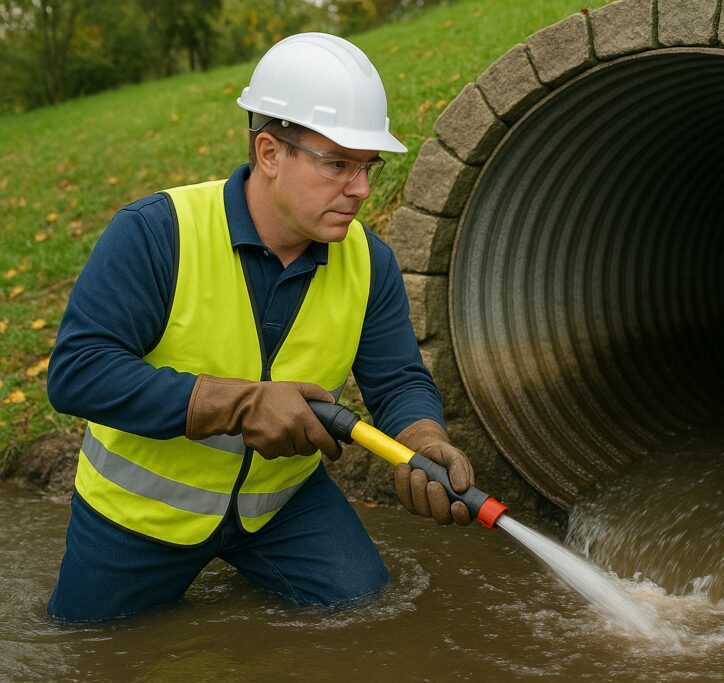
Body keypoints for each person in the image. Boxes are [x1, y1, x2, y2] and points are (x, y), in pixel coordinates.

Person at [45, 32, 474, 623]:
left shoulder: (368, 261)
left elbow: (397, 379)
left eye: (367, 167)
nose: (362, 190)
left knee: (366, 612)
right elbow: (77, 374)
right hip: (138, 517)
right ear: (270, 152)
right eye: (338, 165)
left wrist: (424, 440)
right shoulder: (156, 233)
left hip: (282, 507)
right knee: (86, 646)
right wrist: (240, 404)